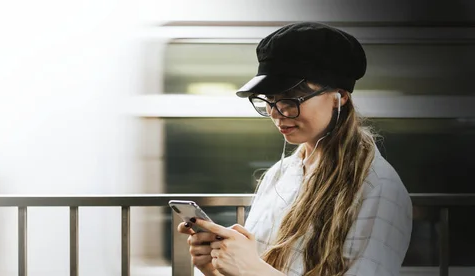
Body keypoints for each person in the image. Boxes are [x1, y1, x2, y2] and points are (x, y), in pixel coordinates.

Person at [176, 22, 413, 276]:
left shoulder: (378, 188)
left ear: (339, 96)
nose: (277, 113)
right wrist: (216, 268)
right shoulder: (280, 174)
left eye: (291, 99)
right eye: (270, 100)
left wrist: (251, 269)